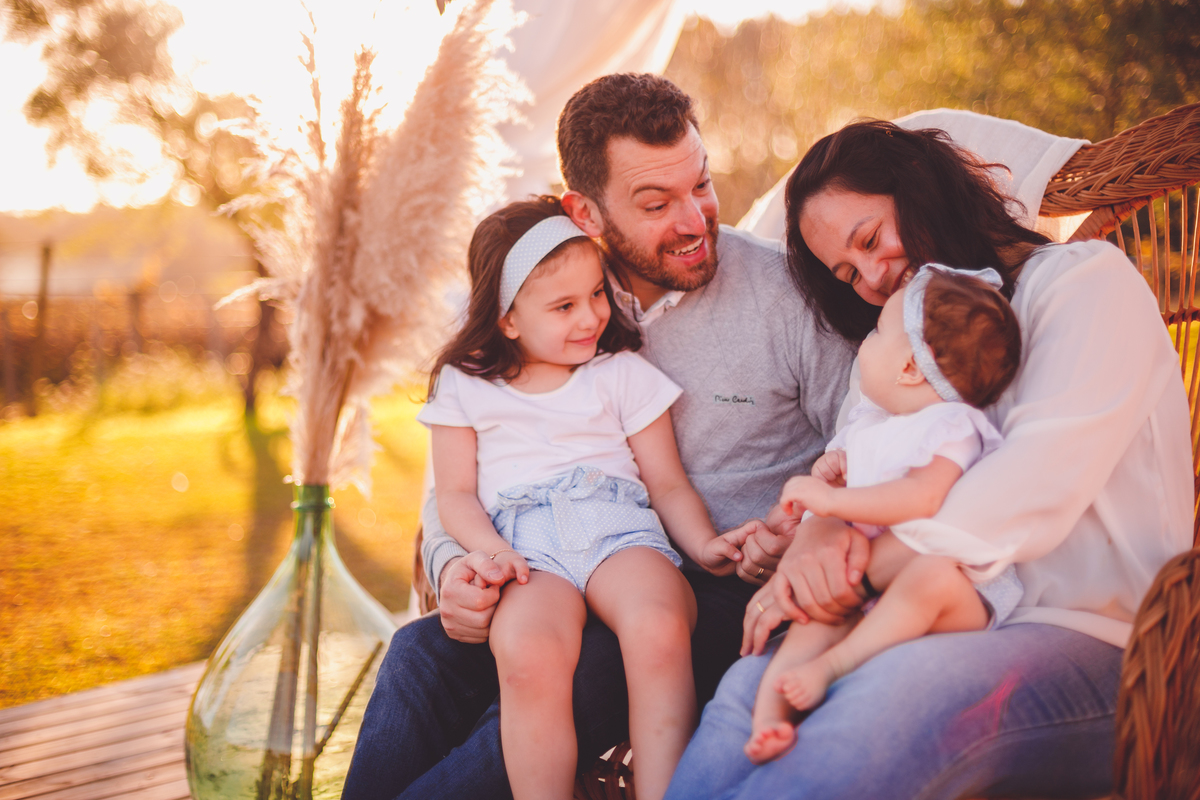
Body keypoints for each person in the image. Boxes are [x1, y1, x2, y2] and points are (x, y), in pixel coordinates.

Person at [340, 73, 855, 800]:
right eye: (656, 203)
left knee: (586, 669)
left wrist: (817, 524)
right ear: (583, 210)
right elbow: (459, 483)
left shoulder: (784, 292)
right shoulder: (539, 306)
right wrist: (456, 561)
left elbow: (868, 423)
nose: (695, 220)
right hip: (543, 562)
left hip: (715, 586)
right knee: (418, 656)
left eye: (700, 184)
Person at [664, 119, 1194, 800]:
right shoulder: (895, 340)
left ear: (921, 193)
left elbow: (1027, 493)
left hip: (1094, 640)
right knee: (747, 687)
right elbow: (849, 460)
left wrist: (852, 575)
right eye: (849, 272)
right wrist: (812, 546)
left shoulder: (1082, 284)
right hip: (918, 616)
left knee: (880, 704)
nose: (875, 277)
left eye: (871, 239)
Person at [419, 196, 755, 800]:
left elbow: (667, 482)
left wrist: (705, 546)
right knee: (527, 653)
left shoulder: (619, 373)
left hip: (619, 531)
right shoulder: (464, 385)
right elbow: (457, 496)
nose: (590, 317)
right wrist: (492, 554)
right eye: (564, 306)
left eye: (596, 294)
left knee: (658, 625)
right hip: (524, 548)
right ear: (507, 318)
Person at [745, 265, 1025, 764]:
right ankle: (769, 720)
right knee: (809, 621)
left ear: (912, 368)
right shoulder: (876, 425)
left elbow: (920, 497)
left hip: (945, 600)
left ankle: (834, 666)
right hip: (865, 589)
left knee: (931, 577)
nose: (865, 342)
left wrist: (834, 502)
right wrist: (839, 472)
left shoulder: (951, 426)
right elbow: (870, 477)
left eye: (877, 333)